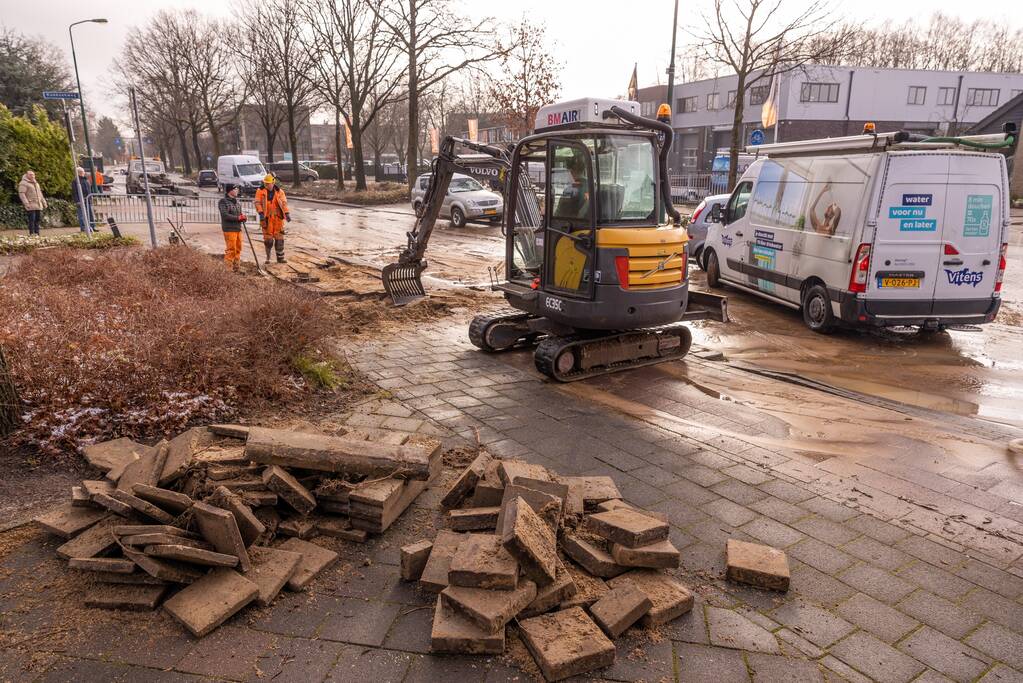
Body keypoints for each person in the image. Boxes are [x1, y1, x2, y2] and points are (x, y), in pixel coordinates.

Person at [254, 173, 290, 264]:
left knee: (279, 239)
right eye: (265, 184)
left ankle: (280, 258)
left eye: (268, 183)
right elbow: (257, 202)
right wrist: (261, 212)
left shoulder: (279, 191)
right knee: (268, 240)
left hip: (278, 219)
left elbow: (284, 203)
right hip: (267, 219)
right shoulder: (260, 191)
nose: (266, 185)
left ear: (273, 183)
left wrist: (287, 213)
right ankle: (268, 258)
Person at [219, 184, 246, 272]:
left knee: (238, 248)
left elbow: (239, 215)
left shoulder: (237, 202)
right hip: (229, 229)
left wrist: (243, 217)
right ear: (230, 190)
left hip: (238, 229)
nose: (237, 190)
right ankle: (228, 269)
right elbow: (225, 215)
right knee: (231, 249)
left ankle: (236, 267)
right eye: (235, 189)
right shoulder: (223, 202)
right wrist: (238, 218)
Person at [17, 170, 47, 236]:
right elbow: (22, 194)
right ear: (27, 175)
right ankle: (32, 234)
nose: (32, 176)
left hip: (38, 204)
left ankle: (37, 233)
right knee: (32, 220)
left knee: (37, 220)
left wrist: (44, 202)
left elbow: (40, 194)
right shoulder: (23, 183)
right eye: (30, 174)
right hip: (30, 204)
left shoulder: (36, 183)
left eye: (33, 174)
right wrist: (26, 203)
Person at [72, 167, 92, 232]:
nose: (84, 173)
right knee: (81, 215)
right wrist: (77, 201)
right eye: (83, 172)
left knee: (90, 214)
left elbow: (89, 190)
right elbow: (74, 192)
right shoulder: (75, 181)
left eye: (83, 172)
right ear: (79, 173)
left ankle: (91, 227)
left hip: (87, 200)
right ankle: (83, 228)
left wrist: (90, 198)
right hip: (81, 200)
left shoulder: (86, 180)